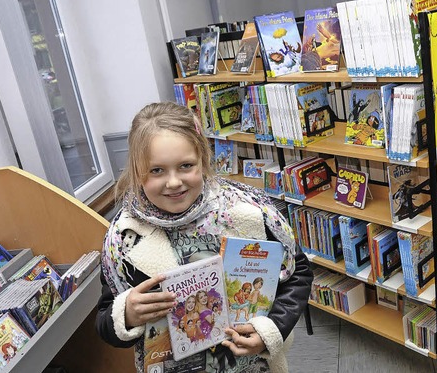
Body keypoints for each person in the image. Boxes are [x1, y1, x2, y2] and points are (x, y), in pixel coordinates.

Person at [96, 102, 313, 373]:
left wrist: (272, 329)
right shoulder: (124, 239)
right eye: (156, 170)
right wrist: (126, 314)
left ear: (203, 160)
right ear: (137, 171)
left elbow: (298, 272)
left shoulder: (245, 212)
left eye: (186, 166)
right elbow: (105, 318)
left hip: (252, 364)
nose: (173, 182)